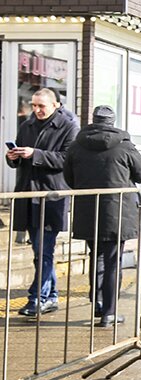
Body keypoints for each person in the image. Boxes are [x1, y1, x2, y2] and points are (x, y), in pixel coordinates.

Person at [63, 106, 141, 327]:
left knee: (97, 257)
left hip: (87, 210)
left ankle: (99, 303)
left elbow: (69, 179)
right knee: (113, 260)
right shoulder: (124, 145)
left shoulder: (77, 145)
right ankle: (109, 312)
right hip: (117, 211)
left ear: (93, 120)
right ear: (112, 121)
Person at [6, 88, 80, 317]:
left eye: (41, 106)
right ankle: (51, 296)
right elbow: (21, 159)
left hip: (51, 196)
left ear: (55, 105)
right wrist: (13, 158)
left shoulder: (69, 127)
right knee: (40, 250)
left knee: (43, 249)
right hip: (28, 194)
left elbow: (68, 159)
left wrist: (35, 154)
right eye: (34, 105)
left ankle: (37, 298)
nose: (36, 110)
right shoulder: (27, 125)